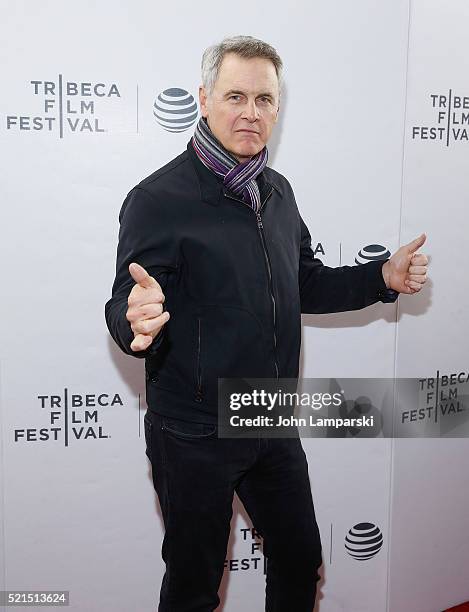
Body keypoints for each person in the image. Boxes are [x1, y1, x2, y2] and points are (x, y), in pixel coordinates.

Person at [105, 35, 428, 612]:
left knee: (301, 562)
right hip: (193, 429)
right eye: (235, 96)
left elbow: (303, 282)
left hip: (269, 413)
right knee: (193, 587)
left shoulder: (277, 193)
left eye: (264, 100)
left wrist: (382, 277)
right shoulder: (157, 198)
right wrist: (136, 317)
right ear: (204, 100)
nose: (250, 113)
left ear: (278, 109)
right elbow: (129, 299)